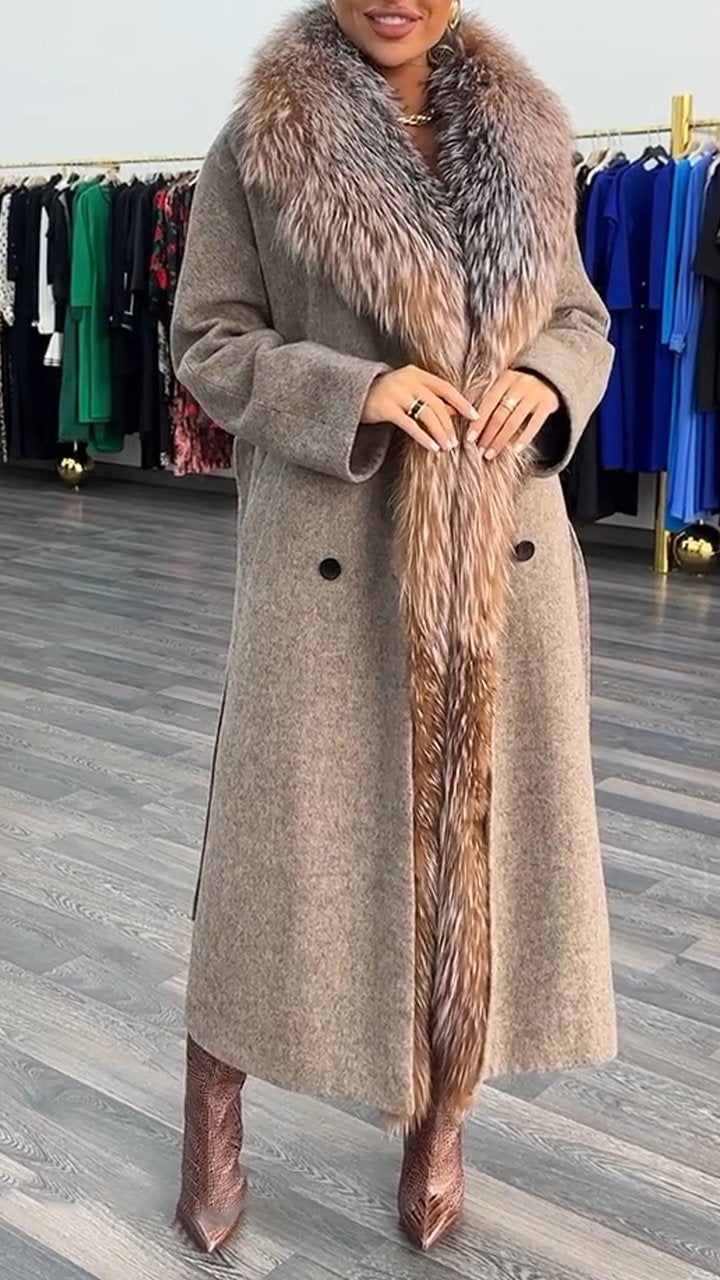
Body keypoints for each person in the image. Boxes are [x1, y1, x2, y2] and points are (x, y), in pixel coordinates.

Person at [171, 0, 617, 1256]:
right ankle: (214, 1101)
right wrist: (355, 387)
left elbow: (580, 320)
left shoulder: (529, 135)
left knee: (475, 839)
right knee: (276, 837)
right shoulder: (262, 139)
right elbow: (208, 338)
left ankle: (440, 1108)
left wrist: (545, 379)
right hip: (333, 542)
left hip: (500, 551)